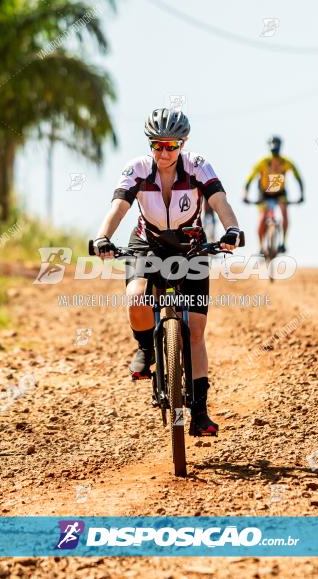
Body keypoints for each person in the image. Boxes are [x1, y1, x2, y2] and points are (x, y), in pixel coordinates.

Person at [92, 107, 242, 437]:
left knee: (196, 331)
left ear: (182, 144)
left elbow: (220, 201)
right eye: (157, 145)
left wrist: (232, 230)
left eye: (171, 146)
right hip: (148, 242)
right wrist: (103, 236)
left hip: (191, 247)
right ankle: (146, 347)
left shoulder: (199, 166)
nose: (163, 153)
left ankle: (200, 413)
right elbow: (118, 207)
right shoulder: (137, 169)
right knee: (136, 297)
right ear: (150, 145)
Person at [242, 136, 304, 253]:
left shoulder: (287, 162)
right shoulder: (262, 162)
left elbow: (298, 178)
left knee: (284, 215)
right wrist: (245, 194)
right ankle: (261, 246)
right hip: (264, 193)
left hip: (280, 193)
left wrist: (301, 194)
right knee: (262, 218)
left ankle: (283, 243)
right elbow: (249, 179)